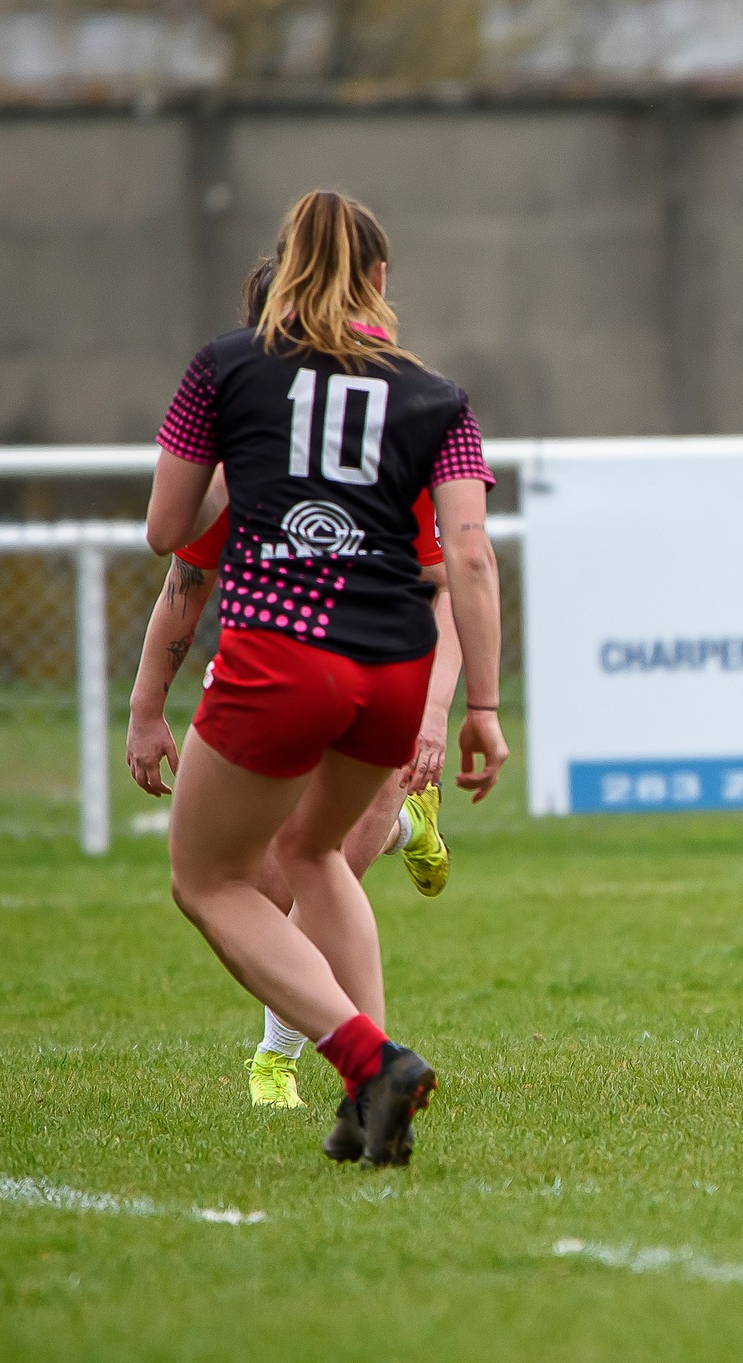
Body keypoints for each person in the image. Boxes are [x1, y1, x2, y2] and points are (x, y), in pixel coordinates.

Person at [145, 189, 507, 1166]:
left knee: (210, 879)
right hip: (393, 663)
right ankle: (370, 1104)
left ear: (281, 269)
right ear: (380, 278)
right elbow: (471, 560)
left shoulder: (224, 368)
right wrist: (481, 706)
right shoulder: (436, 396)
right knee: (315, 854)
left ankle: (365, 1058)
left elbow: (168, 530)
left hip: (280, 650)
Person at [125, 473, 464, 1110]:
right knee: (268, 888)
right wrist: (146, 707)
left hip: (380, 676)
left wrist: (442, 709)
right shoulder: (248, 454)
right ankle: (407, 828)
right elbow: (183, 566)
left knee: (314, 867)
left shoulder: (396, 450)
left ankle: (284, 1060)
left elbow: (458, 576)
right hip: (273, 680)